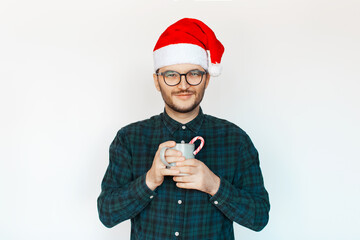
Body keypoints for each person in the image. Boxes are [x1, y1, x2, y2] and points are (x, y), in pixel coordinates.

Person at [97, 18, 270, 240]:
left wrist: (214, 185)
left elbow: (259, 218)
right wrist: (150, 179)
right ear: (157, 81)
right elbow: (107, 215)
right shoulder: (129, 139)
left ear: (206, 79)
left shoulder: (235, 139)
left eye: (194, 73)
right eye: (171, 75)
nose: (183, 84)